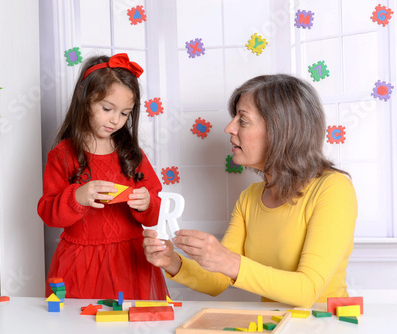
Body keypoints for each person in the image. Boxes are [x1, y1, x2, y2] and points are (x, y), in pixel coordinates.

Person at [143, 74, 358, 308]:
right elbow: (218, 280)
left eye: (242, 120)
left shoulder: (333, 189)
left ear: (281, 131)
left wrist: (230, 261)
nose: (229, 128)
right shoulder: (250, 197)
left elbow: (308, 290)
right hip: (275, 324)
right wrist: (172, 261)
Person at [38, 53, 169, 300]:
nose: (115, 120)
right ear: (84, 98)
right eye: (107, 108)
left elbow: (154, 209)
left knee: (129, 321)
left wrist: (147, 203)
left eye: (124, 113)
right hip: (81, 263)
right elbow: (48, 212)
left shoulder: (131, 154)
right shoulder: (62, 155)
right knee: (80, 323)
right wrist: (77, 196)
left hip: (129, 260)